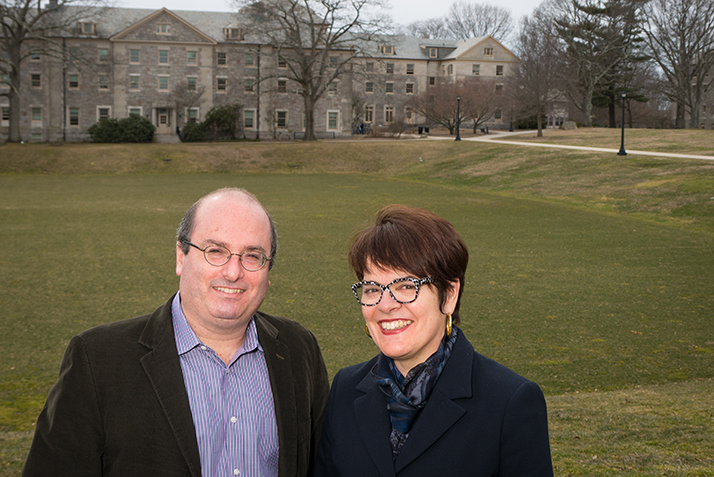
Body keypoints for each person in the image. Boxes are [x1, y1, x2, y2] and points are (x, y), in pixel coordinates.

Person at [23, 188, 329, 477]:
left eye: (252, 255)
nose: (233, 272)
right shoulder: (97, 360)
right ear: (181, 257)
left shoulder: (298, 348)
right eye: (215, 250)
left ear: (268, 270)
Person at [314, 205, 553, 477]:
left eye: (406, 286)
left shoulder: (510, 402)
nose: (385, 305)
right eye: (372, 289)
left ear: (449, 295)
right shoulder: (345, 390)